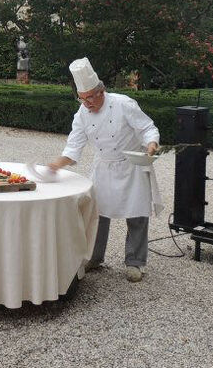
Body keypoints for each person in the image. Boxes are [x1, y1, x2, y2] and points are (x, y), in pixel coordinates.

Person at [47, 57, 161, 282]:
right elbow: (74, 145)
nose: (87, 103)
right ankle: (94, 258)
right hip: (104, 167)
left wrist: (151, 144)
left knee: (137, 215)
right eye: (82, 99)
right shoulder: (81, 114)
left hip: (131, 165)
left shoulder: (123, 103)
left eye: (90, 97)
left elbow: (147, 127)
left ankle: (135, 262)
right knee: (98, 214)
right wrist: (57, 164)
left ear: (102, 91)